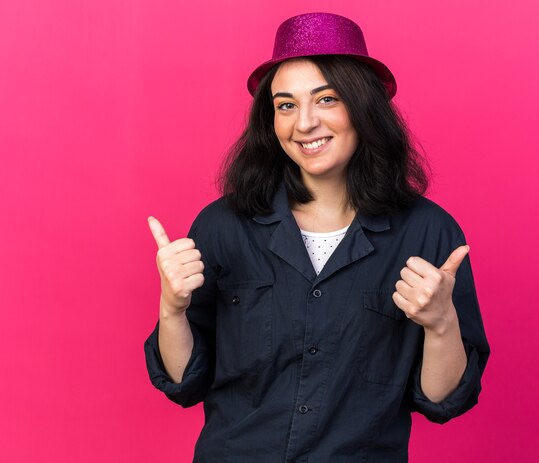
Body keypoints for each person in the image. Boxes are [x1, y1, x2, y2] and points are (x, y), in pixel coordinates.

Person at [145, 12, 489, 462]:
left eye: (326, 99)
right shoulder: (222, 225)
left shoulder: (428, 231)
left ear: (363, 107)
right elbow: (184, 382)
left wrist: (441, 322)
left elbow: (443, 401)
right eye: (285, 105)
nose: (304, 123)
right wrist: (172, 308)